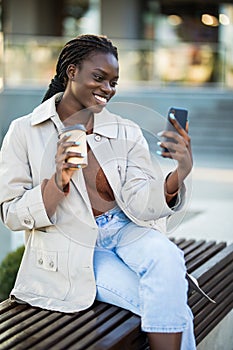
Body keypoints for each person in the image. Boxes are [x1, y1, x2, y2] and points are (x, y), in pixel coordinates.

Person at [0, 34, 196, 349]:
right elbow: (10, 213)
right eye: (99, 77)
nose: (108, 88)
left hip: (125, 230)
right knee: (169, 305)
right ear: (72, 71)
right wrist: (59, 181)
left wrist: (179, 174)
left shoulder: (125, 130)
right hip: (75, 251)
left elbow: (140, 199)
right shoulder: (24, 131)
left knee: (167, 256)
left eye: (114, 81)